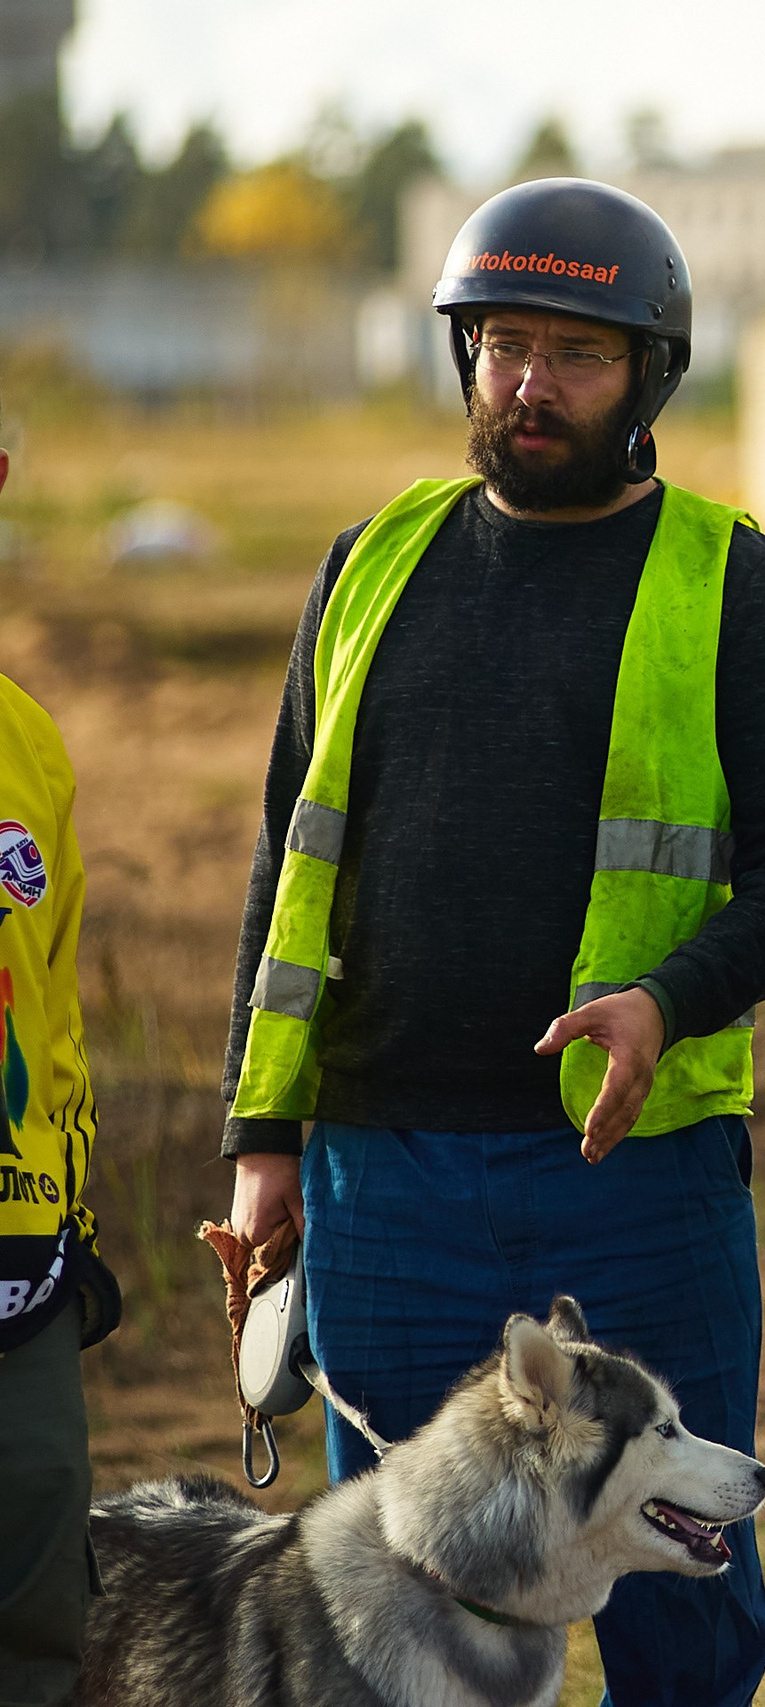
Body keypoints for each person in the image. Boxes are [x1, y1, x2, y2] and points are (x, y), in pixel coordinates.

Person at [218, 179, 765, 1707]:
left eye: (577, 352)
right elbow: (290, 862)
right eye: (500, 345)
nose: (530, 383)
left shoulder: (737, 582)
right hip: (383, 1173)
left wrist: (664, 998)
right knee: (400, 1599)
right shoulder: (371, 561)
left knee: (678, 1582)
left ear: (652, 374)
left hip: (631, 1182)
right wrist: (264, 1134)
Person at [0, 441, 122, 1707]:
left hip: (19, 1259)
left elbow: (57, 1013)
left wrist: (70, 1224)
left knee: (39, 1611)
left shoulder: (24, 738)